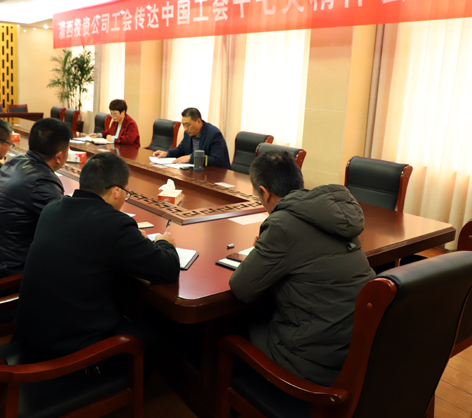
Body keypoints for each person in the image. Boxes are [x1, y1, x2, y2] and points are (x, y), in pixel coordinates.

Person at [15, 152, 180, 362]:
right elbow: (167, 269)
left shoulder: (52, 209)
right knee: (156, 338)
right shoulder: (115, 225)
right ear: (116, 191)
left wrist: (131, 239)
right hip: (68, 351)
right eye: (126, 193)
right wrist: (164, 243)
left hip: (30, 333)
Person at [229, 150, 375, 386]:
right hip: (356, 351)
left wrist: (264, 250)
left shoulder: (282, 224)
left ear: (265, 192)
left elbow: (241, 288)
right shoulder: (335, 215)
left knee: (231, 324)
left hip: (311, 363)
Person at [0, 118, 71, 280]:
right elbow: (65, 231)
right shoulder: (43, 181)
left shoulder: (13, 162)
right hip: (5, 274)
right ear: (59, 156)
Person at [152, 107, 230, 169]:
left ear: (198, 121)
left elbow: (217, 160)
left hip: (216, 175)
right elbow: (181, 149)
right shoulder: (188, 133)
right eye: (183, 125)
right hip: (196, 172)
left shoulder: (213, 134)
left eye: (188, 125)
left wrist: (191, 158)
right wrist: (167, 153)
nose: (186, 128)